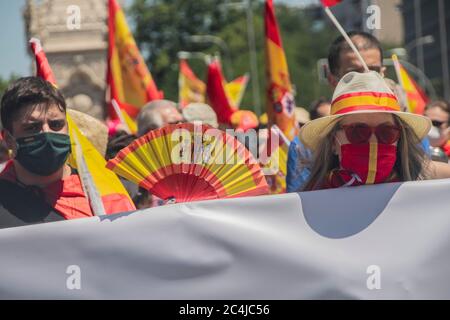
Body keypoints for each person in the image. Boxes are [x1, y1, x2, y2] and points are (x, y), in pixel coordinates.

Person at [0, 77, 135, 228]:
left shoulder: (105, 195)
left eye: (56, 124)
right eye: (32, 128)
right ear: (8, 139)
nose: (47, 133)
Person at [298, 71, 450, 191]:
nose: (373, 142)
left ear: (399, 138)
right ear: (332, 142)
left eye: (387, 132)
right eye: (357, 131)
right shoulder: (310, 203)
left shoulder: (428, 184)